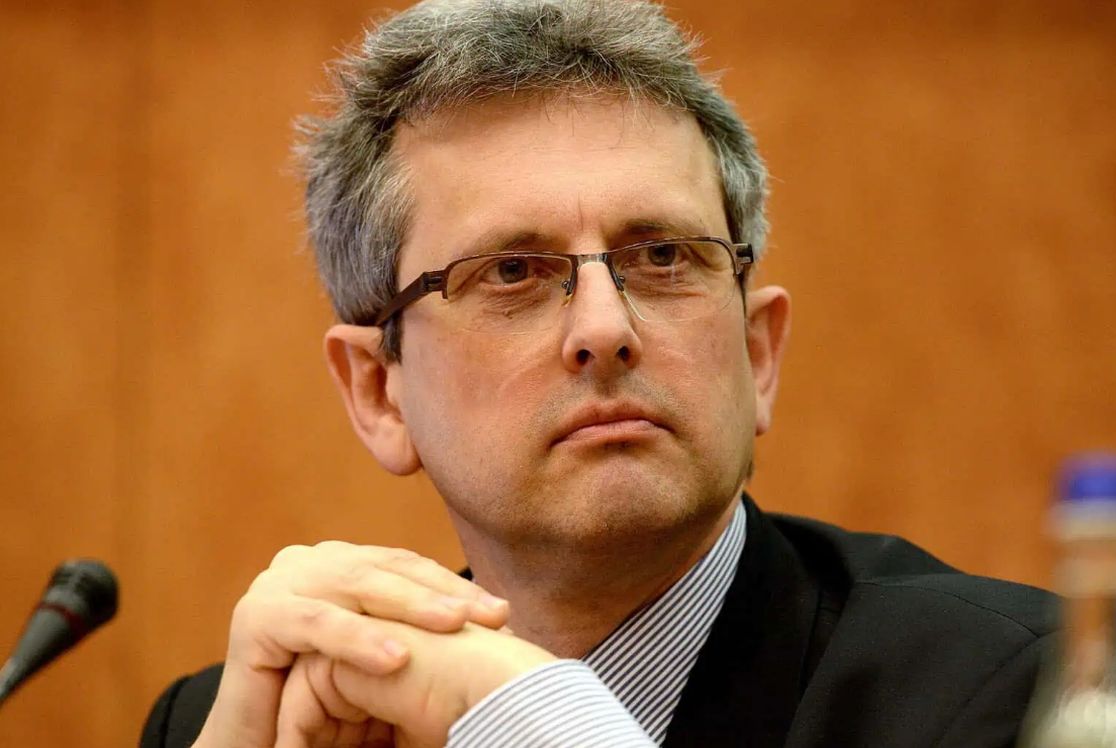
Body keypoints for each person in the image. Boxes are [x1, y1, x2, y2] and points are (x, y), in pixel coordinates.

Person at [140, 1, 1057, 746]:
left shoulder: (1019, 693)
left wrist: (528, 718)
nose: (605, 329)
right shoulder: (248, 721)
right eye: (512, 271)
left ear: (757, 351)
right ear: (380, 392)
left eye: (662, 256)